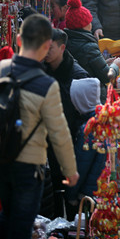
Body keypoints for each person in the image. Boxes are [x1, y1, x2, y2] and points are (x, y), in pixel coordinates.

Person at [0, 14, 78, 238]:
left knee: (8, 211)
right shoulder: (45, 82)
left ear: (19, 41)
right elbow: (58, 131)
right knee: (23, 219)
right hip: (28, 162)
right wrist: (70, 170)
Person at [43, 28, 89, 217]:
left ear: (62, 48)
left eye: (49, 47)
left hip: (69, 145)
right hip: (45, 144)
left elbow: (87, 116)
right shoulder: (41, 71)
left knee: (72, 196)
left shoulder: (78, 77)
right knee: (50, 194)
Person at [64, 0, 120, 100]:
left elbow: (88, 65)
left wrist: (105, 62)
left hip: (73, 95)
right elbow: (106, 76)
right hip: (90, 96)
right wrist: (116, 66)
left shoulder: (67, 42)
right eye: (89, 22)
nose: (91, 25)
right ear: (85, 25)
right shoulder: (89, 46)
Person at [64, 78, 107, 220]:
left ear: (81, 100)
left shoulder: (88, 129)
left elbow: (80, 167)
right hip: (100, 190)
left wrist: (70, 195)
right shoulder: (104, 120)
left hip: (87, 195)